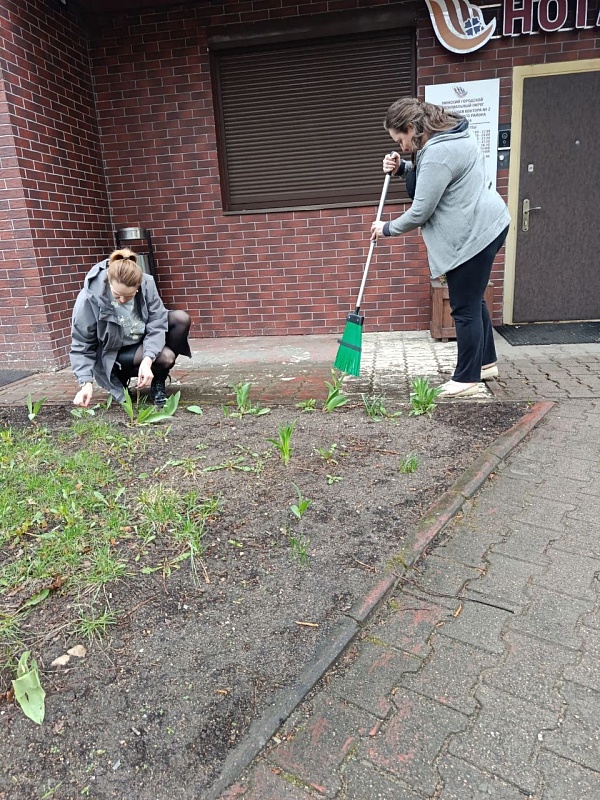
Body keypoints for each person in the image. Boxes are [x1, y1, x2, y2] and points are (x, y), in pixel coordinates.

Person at [371, 98, 511, 398]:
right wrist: (402, 168)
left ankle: (466, 378)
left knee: (464, 307)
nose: (402, 145)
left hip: (474, 235)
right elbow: (435, 175)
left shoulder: (438, 151)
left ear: (411, 128)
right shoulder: (449, 135)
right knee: (474, 301)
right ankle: (485, 363)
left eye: (400, 140)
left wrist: (386, 228)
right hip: (489, 223)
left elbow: (421, 210)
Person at [70, 248, 191, 408]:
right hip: (113, 353)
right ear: (109, 281)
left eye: (129, 296)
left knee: (181, 319)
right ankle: (120, 377)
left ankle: (157, 379)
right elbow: (81, 344)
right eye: (117, 295)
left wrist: (147, 360)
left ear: (138, 286)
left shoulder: (147, 284)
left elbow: (157, 324)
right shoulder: (88, 299)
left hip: (140, 342)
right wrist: (85, 382)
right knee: (165, 356)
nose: (122, 300)